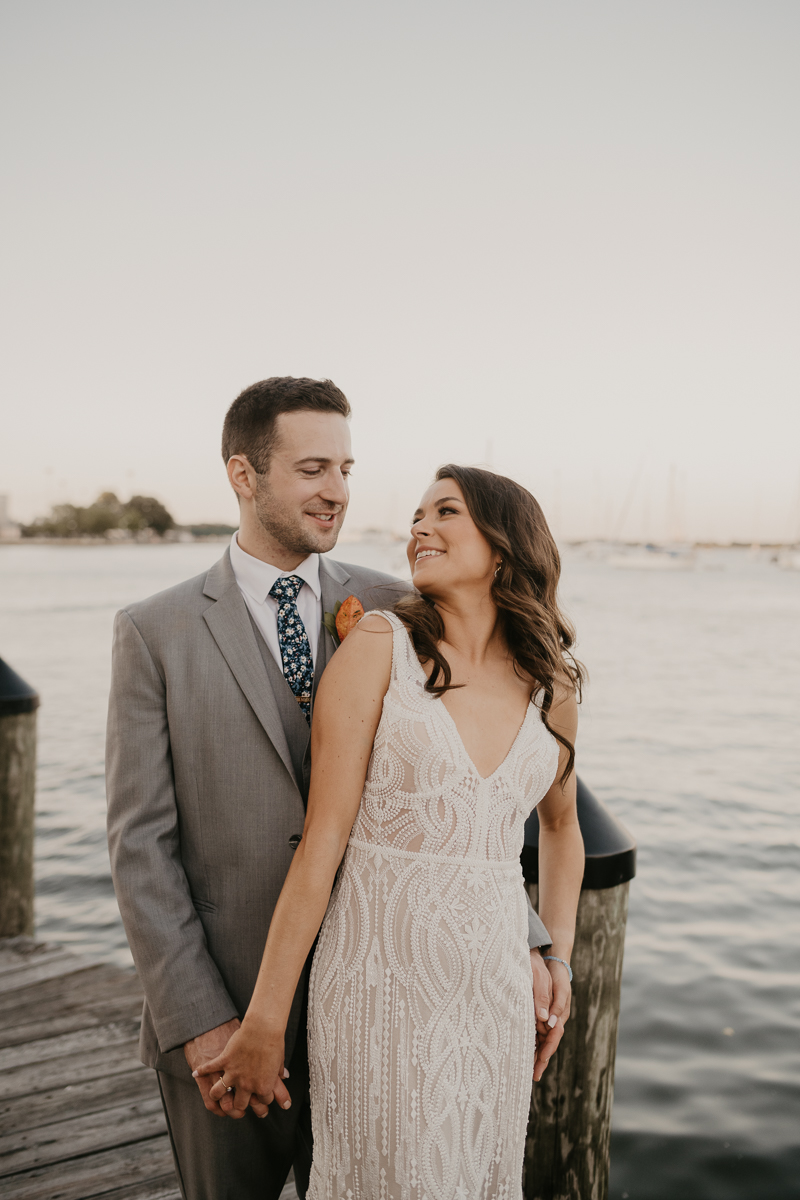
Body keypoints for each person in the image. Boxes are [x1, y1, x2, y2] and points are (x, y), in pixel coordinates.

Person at [106, 381, 558, 1200]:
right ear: (244, 475)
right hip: (233, 1003)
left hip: (391, 1005)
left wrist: (525, 937)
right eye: (314, 467)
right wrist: (205, 1020)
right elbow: (140, 848)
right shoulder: (155, 631)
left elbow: (469, 792)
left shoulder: (399, 605)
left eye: (346, 467)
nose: (339, 490)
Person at [196, 464, 585, 1199]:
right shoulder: (380, 646)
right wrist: (264, 1022)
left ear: (503, 547)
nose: (418, 527)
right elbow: (321, 847)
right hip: (380, 982)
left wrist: (558, 961)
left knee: (476, 1171)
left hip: (494, 991)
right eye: (415, 514)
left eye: (445, 512)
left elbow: (562, 829)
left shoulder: (550, 682)